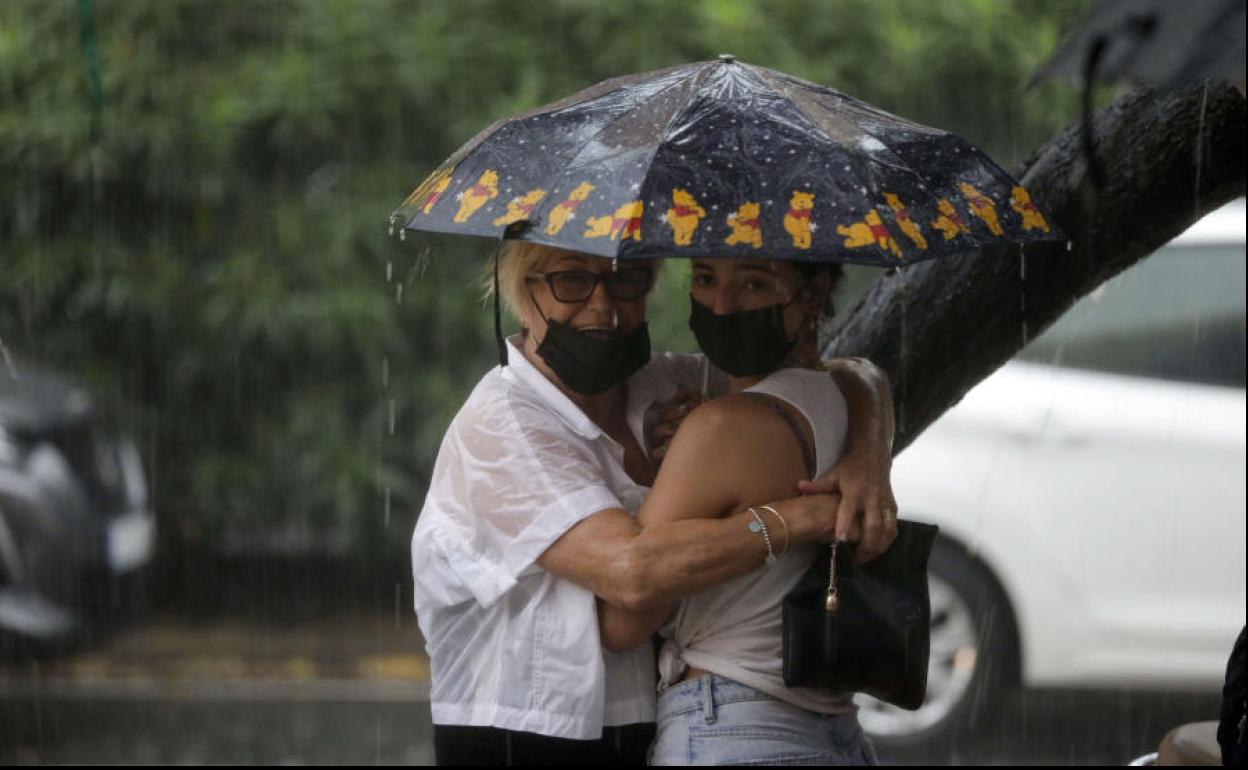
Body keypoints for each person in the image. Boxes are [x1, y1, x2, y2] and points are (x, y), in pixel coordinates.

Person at [411, 241, 897, 765]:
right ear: (522, 295)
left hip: (646, 723)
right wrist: (802, 517)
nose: (602, 305)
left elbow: (843, 373)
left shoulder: (668, 384)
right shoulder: (502, 424)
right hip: (521, 733)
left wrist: (868, 460)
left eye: (626, 278)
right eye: (571, 281)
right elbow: (632, 573)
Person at [597, 255, 881, 765]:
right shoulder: (841, 399)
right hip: (835, 730)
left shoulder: (723, 427)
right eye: (705, 278)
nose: (722, 304)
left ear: (813, 294)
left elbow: (624, 621)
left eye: (754, 282)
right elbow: (862, 373)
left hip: (731, 726)